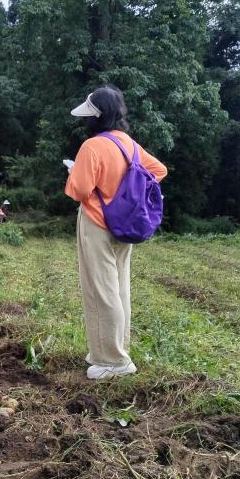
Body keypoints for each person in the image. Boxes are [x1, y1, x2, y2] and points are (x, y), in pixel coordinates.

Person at [64, 86, 167, 381]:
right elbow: (158, 170)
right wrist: (127, 193)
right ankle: (118, 351)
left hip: (97, 223)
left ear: (95, 117)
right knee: (120, 288)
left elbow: (80, 190)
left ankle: (112, 361)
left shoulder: (92, 147)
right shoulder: (129, 144)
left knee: (101, 291)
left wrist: (74, 173)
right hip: (125, 223)